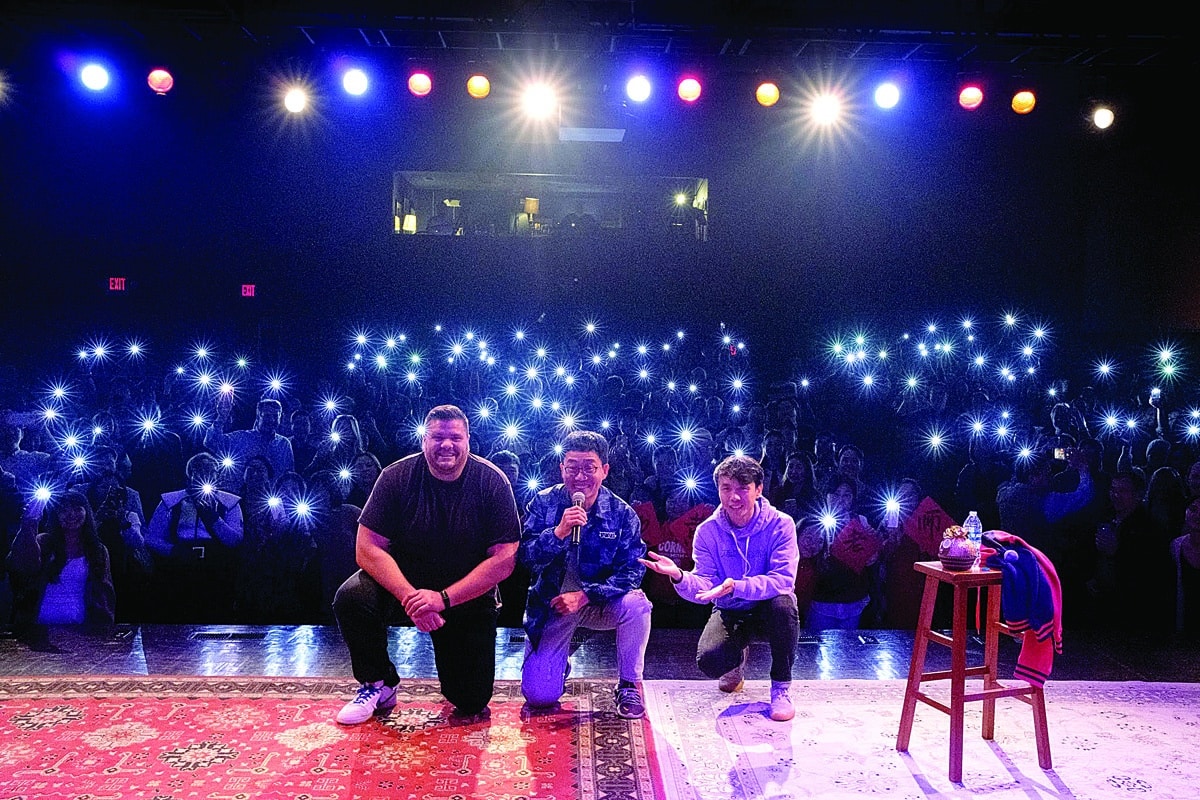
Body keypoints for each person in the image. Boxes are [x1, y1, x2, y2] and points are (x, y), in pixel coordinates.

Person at [332, 405, 520, 725]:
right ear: (424, 441)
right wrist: (412, 598)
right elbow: (367, 549)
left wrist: (443, 599)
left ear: (468, 440)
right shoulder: (395, 477)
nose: (446, 445)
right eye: (438, 437)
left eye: (455, 437)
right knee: (351, 597)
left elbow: (504, 559)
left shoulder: (492, 481)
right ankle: (378, 683)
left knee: (471, 700)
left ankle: (458, 678)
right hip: (405, 582)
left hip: (464, 591)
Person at [641, 454, 799, 721]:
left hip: (768, 606)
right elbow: (704, 585)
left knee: (784, 606)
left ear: (758, 489)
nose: (734, 497)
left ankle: (781, 688)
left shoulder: (781, 524)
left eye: (742, 488)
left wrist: (736, 586)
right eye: (726, 488)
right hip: (730, 609)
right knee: (710, 661)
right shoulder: (707, 531)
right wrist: (679, 576)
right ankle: (735, 662)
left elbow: (783, 580)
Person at [519, 430, 652, 719]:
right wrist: (558, 533)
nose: (580, 477)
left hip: (599, 603)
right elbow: (524, 558)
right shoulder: (542, 504)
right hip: (553, 606)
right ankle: (558, 662)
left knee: (638, 605)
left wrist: (586, 595)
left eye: (589, 468)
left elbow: (633, 571)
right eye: (573, 467)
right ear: (561, 468)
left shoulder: (622, 513)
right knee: (539, 696)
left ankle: (629, 684)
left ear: (604, 470)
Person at [6, 488, 115, 648]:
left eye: (77, 508)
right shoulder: (44, 542)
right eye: (64, 510)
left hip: (81, 631)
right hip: (38, 630)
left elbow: (105, 593)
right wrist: (30, 521)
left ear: (87, 512)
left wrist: (103, 631)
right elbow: (20, 566)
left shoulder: (97, 550)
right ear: (55, 515)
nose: (71, 514)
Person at [143, 452, 245, 622]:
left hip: (216, 569)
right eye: (199, 469)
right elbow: (151, 538)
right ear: (189, 473)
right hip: (178, 568)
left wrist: (213, 518)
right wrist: (173, 551)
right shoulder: (170, 501)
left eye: (210, 470)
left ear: (217, 474)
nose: (204, 474)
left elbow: (235, 540)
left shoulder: (229, 502)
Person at [205, 397, 295, 488]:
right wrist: (221, 417)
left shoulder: (284, 444)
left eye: (275, 416)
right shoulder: (241, 438)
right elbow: (211, 442)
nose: (271, 420)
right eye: (267, 416)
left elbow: (288, 476)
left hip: (270, 498)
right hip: (241, 497)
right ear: (258, 416)